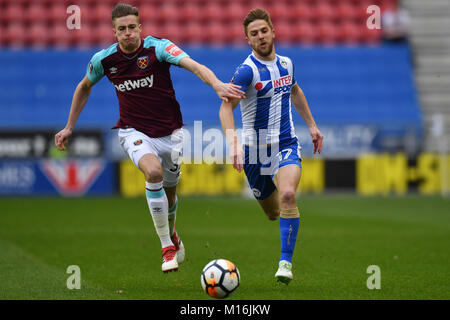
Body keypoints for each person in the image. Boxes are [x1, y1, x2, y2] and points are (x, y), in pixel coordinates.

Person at [54, 3, 245, 273]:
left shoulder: (159, 48)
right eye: (122, 29)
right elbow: (84, 86)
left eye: (133, 27)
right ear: (115, 31)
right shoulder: (104, 60)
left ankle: (172, 233)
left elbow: (194, 65)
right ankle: (167, 246)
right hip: (133, 131)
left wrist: (217, 85)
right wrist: (69, 126)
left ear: (140, 28)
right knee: (152, 172)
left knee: (170, 193)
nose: (128, 33)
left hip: (171, 134)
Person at [219, 8, 323, 284]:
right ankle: (283, 221)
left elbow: (295, 90)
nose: (260, 36)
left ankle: (285, 263)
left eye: (264, 30)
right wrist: (234, 143)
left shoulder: (287, 64)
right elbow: (225, 108)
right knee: (273, 213)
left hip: (286, 144)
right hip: (256, 153)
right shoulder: (246, 71)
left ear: (273, 31)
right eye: (254, 34)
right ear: (248, 40)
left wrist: (311, 125)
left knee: (288, 195)